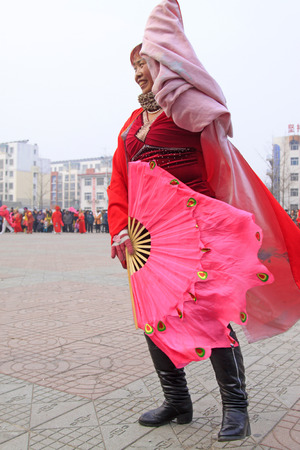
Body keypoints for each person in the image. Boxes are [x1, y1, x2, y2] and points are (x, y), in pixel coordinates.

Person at [108, 0, 300, 443]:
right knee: (153, 317)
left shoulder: (187, 109)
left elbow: (219, 138)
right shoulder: (130, 125)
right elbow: (120, 184)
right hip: (147, 240)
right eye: (134, 67)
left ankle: (237, 408)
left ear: (164, 63)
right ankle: (177, 401)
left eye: (146, 62)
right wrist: (120, 228)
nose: (139, 72)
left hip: (198, 231)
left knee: (213, 315)